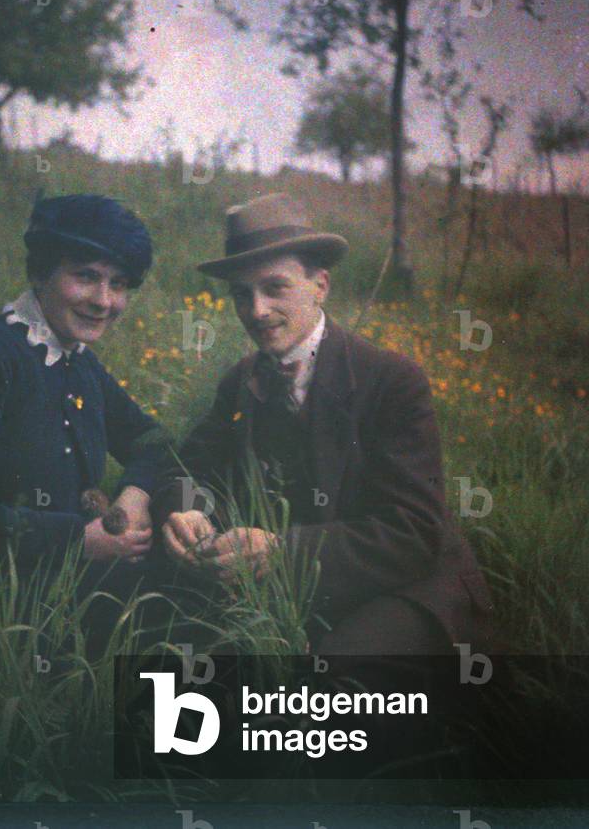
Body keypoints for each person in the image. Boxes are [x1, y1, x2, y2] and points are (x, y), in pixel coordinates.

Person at [151, 192, 495, 658]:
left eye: (275, 288)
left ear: (321, 286)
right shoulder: (242, 380)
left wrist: (281, 551)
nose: (256, 310)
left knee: (337, 676)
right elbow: (187, 468)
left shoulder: (392, 380)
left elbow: (414, 533)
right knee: (189, 652)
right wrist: (185, 510)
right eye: (241, 294)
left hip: (407, 585)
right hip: (303, 588)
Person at [0, 194, 171, 653]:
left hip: (77, 589)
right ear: (40, 272)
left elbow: (153, 439)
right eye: (86, 276)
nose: (104, 301)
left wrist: (136, 495)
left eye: (119, 283)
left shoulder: (81, 364)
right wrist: (75, 542)